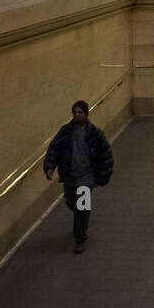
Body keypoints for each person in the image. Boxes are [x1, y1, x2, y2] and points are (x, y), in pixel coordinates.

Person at [43, 99, 113, 254]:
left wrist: (103, 175)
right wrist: (50, 167)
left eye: (80, 112)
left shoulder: (95, 133)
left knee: (81, 208)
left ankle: (80, 239)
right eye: (74, 112)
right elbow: (54, 149)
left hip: (86, 177)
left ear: (86, 114)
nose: (76, 114)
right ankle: (81, 220)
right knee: (71, 203)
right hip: (70, 176)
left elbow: (106, 155)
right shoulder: (65, 132)